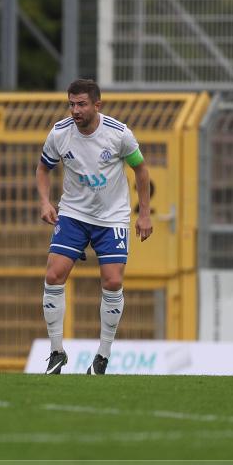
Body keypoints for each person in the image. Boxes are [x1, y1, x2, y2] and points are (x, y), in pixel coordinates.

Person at [36, 78, 153, 375]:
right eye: (71, 104)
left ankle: (101, 357)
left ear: (96, 105)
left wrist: (144, 214)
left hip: (112, 216)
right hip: (74, 214)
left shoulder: (119, 134)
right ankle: (56, 352)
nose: (75, 110)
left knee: (112, 281)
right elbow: (43, 168)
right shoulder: (59, 134)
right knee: (53, 274)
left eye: (81, 104)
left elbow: (140, 169)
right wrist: (46, 202)